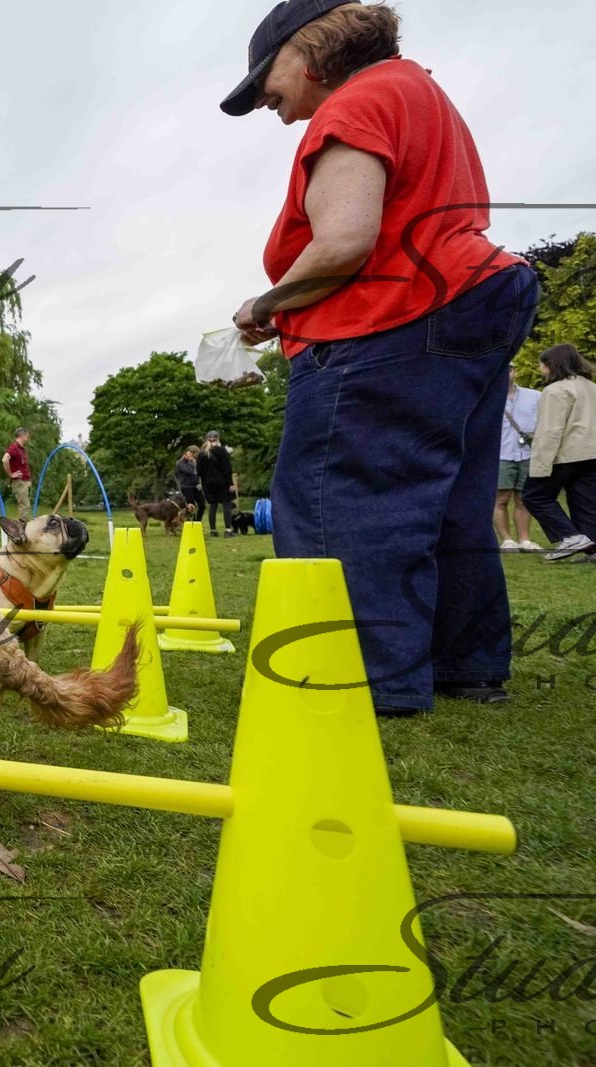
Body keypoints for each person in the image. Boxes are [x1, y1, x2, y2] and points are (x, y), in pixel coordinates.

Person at [225, 2, 540, 714]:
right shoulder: (418, 92)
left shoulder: (356, 102)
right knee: (452, 495)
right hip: (468, 297)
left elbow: (344, 241)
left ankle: (362, 673)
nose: (268, 107)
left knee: (339, 493)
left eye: (265, 83)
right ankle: (466, 663)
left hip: (388, 320)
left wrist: (267, 304)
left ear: (308, 50)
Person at [524, 344, 596, 563]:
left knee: (534, 495)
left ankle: (570, 537)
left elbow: (550, 430)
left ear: (551, 365)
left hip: (566, 453)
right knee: (586, 501)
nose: (539, 369)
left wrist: (540, 465)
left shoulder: (555, 390)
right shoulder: (591, 386)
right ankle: (593, 550)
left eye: (541, 364)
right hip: (592, 452)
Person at [495, 377, 543, 553]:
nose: (507, 373)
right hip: (501, 454)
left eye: (510, 368)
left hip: (527, 454)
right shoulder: (490, 396)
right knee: (501, 499)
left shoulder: (535, 396)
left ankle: (525, 539)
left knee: (523, 499)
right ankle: (507, 540)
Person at [196, 431, 237, 536]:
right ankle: (228, 530)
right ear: (218, 439)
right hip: (222, 482)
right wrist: (231, 484)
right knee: (226, 505)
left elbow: (199, 471)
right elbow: (227, 469)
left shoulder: (201, 454)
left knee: (212, 506)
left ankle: (213, 531)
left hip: (208, 484)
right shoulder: (222, 451)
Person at [2, 428, 32, 521]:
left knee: (25, 505)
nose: (28, 438)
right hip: (19, 482)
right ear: (22, 436)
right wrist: (11, 474)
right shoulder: (14, 447)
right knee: (25, 506)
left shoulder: (21, 449)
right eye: (27, 436)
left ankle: (23, 527)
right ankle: (22, 529)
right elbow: (4, 459)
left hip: (25, 481)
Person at [176, 445, 204, 522]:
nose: (195, 457)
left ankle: (197, 522)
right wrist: (192, 462)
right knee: (191, 506)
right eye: (194, 455)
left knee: (202, 505)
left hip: (196, 486)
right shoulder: (181, 463)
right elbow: (191, 471)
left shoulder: (194, 462)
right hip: (187, 487)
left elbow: (198, 473)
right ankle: (189, 523)